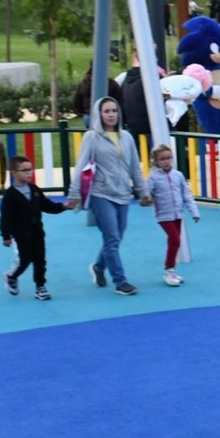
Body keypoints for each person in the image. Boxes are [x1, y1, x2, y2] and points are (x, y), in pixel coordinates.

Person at [66, 96, 153, 296]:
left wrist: (143, 192)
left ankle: (98, 266)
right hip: (101, 192)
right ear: (99, 114)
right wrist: (73, 194)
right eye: (107, 111)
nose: (111, 114)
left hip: (122, 192)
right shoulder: (92, 137)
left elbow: (135, 168)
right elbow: (81, 166)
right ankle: (120, 281)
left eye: (114, 110)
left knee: (117, 236)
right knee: (112, 236)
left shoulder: (127, 137)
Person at [0, 155, 67, 300]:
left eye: (30, 169)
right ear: (14, 173)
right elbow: (5, 217)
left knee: (40, 259)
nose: (29, 173)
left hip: (37, 231)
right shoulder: (10, 195)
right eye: (24, 170)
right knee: (25, 259)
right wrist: (5, 236)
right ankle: (11, 276)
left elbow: (47, 205)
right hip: (20, 234)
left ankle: (40, 287)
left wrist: (63, 206)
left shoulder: (34, 189)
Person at [146, 144, 201, 287]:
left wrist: (194, 212)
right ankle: (168, 269)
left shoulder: (178, 175)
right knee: (175, 239)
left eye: (168, 158)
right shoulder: (153, 178)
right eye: (162, 159)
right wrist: (146, 199)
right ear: (156, 161)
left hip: (178, 214)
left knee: (175, 241)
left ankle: (172, 270)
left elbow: (186, 195)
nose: (166, 161)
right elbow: (147, 193)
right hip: (164, 215)